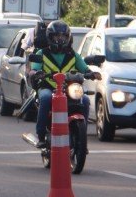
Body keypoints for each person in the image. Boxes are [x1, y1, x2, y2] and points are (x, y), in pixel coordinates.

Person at [28, 20, 96, 149]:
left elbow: (84, 68)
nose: (60, 39)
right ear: (50, 37)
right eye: (56, 36)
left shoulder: (73, 55)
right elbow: (34, 68)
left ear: (68, 37)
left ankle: (82, 138)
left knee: (85, 100)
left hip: (69, 89)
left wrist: (91, 73)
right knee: (46, 98)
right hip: (48, 87)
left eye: (63, 36)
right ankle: (41, 135)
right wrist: (36, 73)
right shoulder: (42, 53)